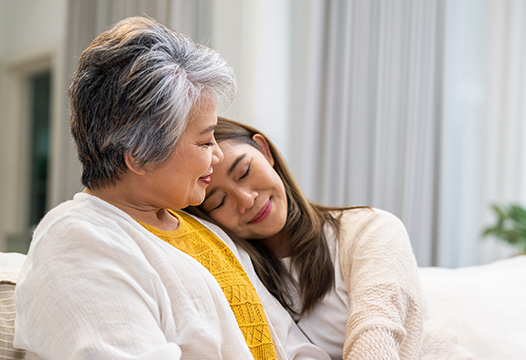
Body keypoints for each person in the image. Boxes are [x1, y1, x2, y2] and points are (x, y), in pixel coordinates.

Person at [13, 17, 330, 360]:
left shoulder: (206, 231)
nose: (217, 153)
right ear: (139, 155)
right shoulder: (76, 242)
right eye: (205, 140)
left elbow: (291, 345)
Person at [186, 118, 473, 360]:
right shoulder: (240, 273)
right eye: (219, 201)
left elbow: (377, 330)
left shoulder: (370, 228)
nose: (246, 200)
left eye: (245, 171)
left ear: (264, 150)